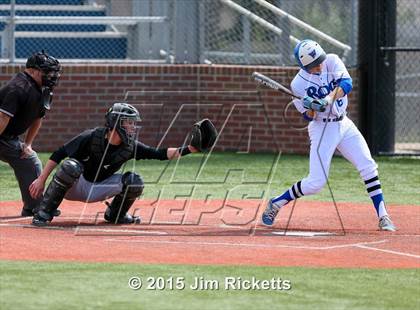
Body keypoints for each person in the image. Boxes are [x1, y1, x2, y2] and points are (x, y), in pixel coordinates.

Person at [262, 39, 396, 231]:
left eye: (320, 60)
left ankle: (383, 216)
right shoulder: (298, 84)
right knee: (316, 183)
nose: (319, 65)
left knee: (368, 166)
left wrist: (326, 99)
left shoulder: (332, 61)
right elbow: (307, 117)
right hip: (322, 129)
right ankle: (276, 203)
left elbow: (347, 84)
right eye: (314, 65)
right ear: (304, 66)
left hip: (344, 123)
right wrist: (311, 108)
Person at [29, 102, 217, 226]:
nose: (133, 127)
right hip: (75, 185)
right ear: (116, 122)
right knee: (70, 166)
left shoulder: (130, 146)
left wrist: (190, 149)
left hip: (100, 188)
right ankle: (44, 212)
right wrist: (41, 180)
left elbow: (159, 153)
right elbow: (58, 154)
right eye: (129, 123)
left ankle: (116, 214)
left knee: (135, 181)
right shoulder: (90, 137)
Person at [0, 51, 61, 216]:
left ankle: (33, 206)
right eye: (47, 71)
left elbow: (37, 119)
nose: (52, 75)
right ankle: (35, 206)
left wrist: (27, 144)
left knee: (28, 159)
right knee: (31, 162)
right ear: (33, 70)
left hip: (7, 136)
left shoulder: (43, 90)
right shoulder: (18, 87)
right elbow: (3, 117)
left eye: (53, 72)